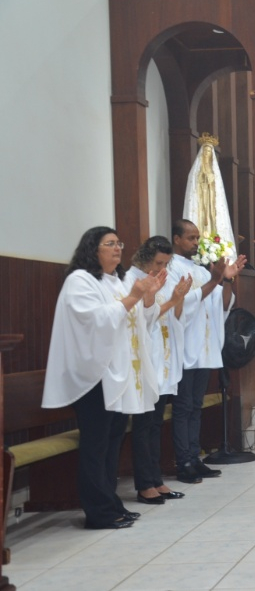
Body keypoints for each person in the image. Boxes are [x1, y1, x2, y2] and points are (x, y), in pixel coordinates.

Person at [42, 227, 164, 529]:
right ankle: (98, 512)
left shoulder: (120, 281)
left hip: (117, 375)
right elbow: (94, 320)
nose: (117, 248)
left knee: (112, 443)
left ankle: (111, 503)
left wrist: (147, 299)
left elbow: (139, 323)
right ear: (92, 249)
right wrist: (134, 296)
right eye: (109, 244)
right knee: (96, 446)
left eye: (119, 243)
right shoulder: (79, 281)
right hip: (93, 376)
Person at [168, 219, 246, 484]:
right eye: (190, 238)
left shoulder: (199, 270)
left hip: (202, 348)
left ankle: (195, 458)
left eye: (196, 238)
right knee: (183, 407)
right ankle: (183, 462)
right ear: (176, 239)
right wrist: (215, 280)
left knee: (195, 406)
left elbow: (221, 306)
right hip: (184, 348)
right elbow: (185, 303)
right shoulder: (170, 268)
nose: (194, 242)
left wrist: (227, 280)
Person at [127, 236, 192, 504]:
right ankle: (144, 485)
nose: (161, 268)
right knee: (143, 426)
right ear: (144, 258)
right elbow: (145, 317)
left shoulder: (156, 278)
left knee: (155, 424)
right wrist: (172, 299)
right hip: (143, 362)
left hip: (161, 360)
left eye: (166, 263)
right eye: (158, 262)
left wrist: (178, 298)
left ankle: (156, 479)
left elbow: (167, 316)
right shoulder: (133, 279)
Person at [183, 134, 236, 258]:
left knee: (212, 222)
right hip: (201, 204)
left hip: (211, 203)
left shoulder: (215, 174)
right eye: (205, 152)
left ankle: (213, 243)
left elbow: (219, 195)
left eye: (209, 152)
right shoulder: (195, 173)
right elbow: (193, 192)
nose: (207, 155)